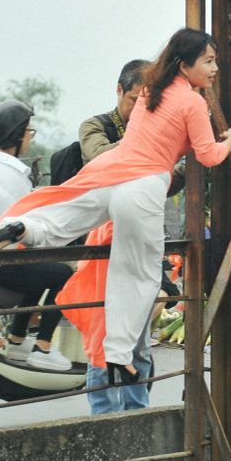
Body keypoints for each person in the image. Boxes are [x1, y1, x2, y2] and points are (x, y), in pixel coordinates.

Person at [0, 28, 231, 385]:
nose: (215, 69)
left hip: (114, 168)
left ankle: (20, 228)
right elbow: (209, 155)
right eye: (209, 61)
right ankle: (120, 358)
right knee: (139, 275)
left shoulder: (152, 90)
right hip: (143, 185)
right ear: (185, 64)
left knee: (62, 218)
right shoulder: (192, 102)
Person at [76, 58, 182, 413]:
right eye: (136, 99)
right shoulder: (97, 126)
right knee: (101, 336)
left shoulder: (156, 131)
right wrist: (155, 157)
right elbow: (100, 159)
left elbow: (174, 177)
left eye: (149, 101)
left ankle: (138, 412)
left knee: (138, 339)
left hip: (141, 238)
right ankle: (103, 415)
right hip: (103, 246)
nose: (142, 108)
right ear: (120, 91)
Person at [0, 100, 73, 371]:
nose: (30, 137)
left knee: (35, 266)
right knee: (64, 273)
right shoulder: (11, 172)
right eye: (29, 131)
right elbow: (28, 224)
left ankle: (17, 339)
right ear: (17, 135)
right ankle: (43, 347)